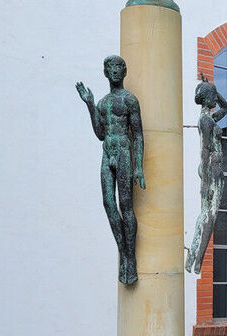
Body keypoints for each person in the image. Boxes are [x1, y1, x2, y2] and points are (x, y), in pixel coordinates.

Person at [76, 55, 145, 285]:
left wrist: (139, 167)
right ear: (106, 73)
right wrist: (89, 105)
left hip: (124, 152)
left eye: (118, 68)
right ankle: (124, 251)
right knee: (108, 202)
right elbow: (100, 134)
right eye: (110, 68)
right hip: (108, 152)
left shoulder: (129, 100)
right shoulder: (104, 103)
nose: (114, 72)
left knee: (126, 205)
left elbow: (137, 135)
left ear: (123, 72)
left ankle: (130, 258)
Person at [185, 76, 227, 274]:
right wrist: (204, 180)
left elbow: (226, 108)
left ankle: (193, 256)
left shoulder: (209, 118)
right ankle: (197, 261)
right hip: (212, 166)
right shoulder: (206, 121)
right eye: (213, 96)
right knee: (210, 216)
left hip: (211, 167)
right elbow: (204, 149)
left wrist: (213, 88)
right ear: (207, 98)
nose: (215, 100)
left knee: (205, 214)